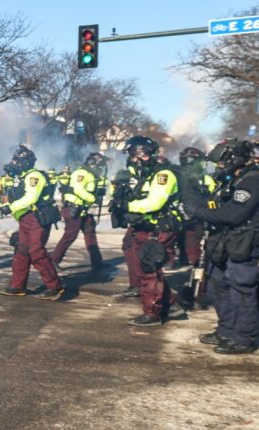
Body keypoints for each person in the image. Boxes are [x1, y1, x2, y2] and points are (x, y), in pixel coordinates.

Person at [183, 139, 258, 354]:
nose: (219, 167)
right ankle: (226, 330)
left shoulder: (252, 180)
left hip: (245, 243)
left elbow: (233, 214)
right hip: (226, 241)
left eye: (221, 163)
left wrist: (197, 211)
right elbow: (216, 203)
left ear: (235, 160)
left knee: (242, 289)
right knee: (218, 285)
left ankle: (244, 338)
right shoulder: (233, 179)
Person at [110, 136, 185, 326]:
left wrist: (127, 206)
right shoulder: (145, 175)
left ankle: (152, 313)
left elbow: (155, 202)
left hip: (159, 227)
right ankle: (171, 304)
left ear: (147, 155)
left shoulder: (163, 175)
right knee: (142, 268)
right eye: (131, 156)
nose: (133, 160)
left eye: (136, 156)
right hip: (144, 227)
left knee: (148, 270)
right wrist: (119, 190)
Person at [0, 145, 64, 300]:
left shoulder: (34, 177)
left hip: (37, 219)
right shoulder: (21, 177)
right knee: (21, 251)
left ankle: (55, 287)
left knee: (36, 252)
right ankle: (17, 286)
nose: (14, 163)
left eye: (17, 160)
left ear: (26, 162)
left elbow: (31, 198)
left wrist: (9, 208)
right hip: (25, 219)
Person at [49, 153, 108, 271]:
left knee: (90, 230)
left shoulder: (89, 175)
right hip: (73, 209)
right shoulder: (81, 173)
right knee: (70, 235)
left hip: (82, 210)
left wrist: (98, 192)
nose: (100, 169)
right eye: (99, 166)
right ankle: (53, 261)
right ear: (92, 164)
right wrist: (93, 198)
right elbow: (78, 190)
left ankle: (97, 261)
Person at [175, 147, 216, 269]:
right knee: (188, 240)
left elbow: (212, 196)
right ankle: (191, 262)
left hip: (193, 214)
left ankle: (193, 264)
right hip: (189, 213)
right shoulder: (179, 174)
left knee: (191, 241)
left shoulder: (203, 177)